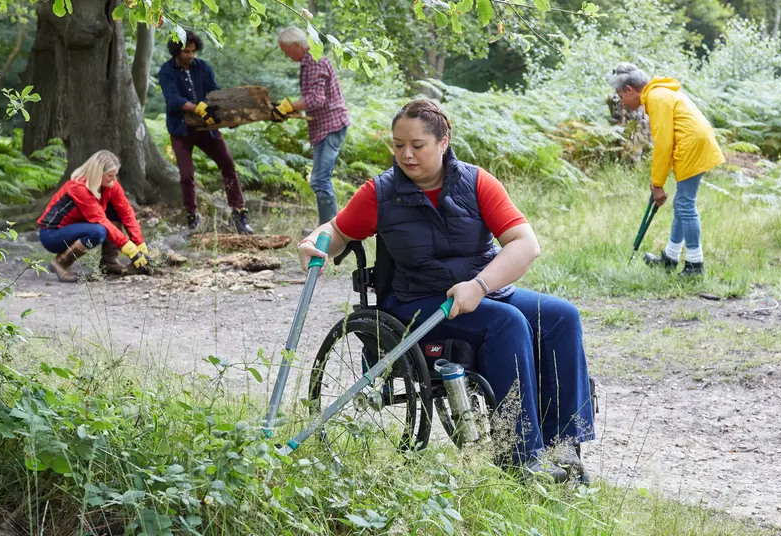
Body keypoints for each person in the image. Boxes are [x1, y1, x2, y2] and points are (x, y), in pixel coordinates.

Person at [297, 100, 595, 483]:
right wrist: (314, 242)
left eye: (417, 145)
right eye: (398, 144)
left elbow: (525, 243)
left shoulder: (477, 182)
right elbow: (337, 231)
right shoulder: (380, 193)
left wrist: (481, 285)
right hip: (416, 303)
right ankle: (521, 459)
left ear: (443, 142)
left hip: (479, 292)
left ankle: (564, 447)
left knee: (561, 316)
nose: (406, 154)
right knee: (506, 323)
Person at [610, 63, 724, 276]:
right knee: (682, 203)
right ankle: (670, 258)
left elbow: (663, 144)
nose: (622, 103)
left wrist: (658, 184)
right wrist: (657, 182)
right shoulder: (659, 93)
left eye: (620, 96)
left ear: (629, 90)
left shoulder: (656, 98)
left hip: (691, 146)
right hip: (693, 145)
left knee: (684, 204)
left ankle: (694, 266)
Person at [158, 31, 254, 234]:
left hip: (208, 130)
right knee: (186, 175)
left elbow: (214, 92)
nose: (190, 55)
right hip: (181, 130)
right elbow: (172, 99)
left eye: (193, 51)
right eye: (186, 51)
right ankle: (192, 217)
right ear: (177, 51)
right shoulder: (167, 71)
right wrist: (196, 108)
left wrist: (225, 115)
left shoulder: (203, 67)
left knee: (228, 165)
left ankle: (239, 213)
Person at [275, 26, 350, 226]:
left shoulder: (314, 62)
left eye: (286, 50)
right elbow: (315, 100)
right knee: (320, 179)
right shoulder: (311, 60)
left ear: (297, 46)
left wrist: (288, 106)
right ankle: (328, 227)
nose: (285, 55)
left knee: (320, 180)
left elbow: (316, 99)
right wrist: (288, 110)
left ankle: (329, 230)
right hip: (325, 125)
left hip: (330, 126)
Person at [38, 150, 149, 282]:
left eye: (115, 175)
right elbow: (100, 220)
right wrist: (128, 247)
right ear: (97, 173)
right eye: (110, 176)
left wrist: (139, 243)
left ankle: (109, 262)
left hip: (77, 227)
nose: (114, 180)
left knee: (116, 210)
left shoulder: (110, 184)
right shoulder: (78, 187)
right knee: (98, 232)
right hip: (52, 234)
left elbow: (127, 212)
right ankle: (60, 262)